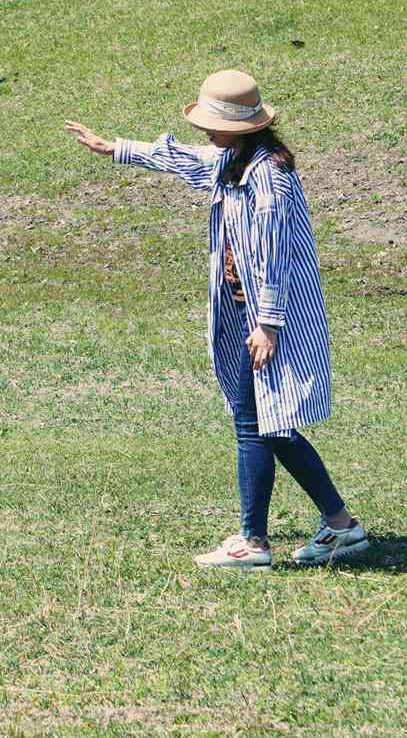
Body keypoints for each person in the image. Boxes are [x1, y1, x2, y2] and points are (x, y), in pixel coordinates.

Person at [67, 69, 368, 569]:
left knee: (263, 424)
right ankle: (339, 526)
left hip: (271, 318)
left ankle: (260, 541)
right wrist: (113, 147)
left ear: (243, 126)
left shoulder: (268, 176)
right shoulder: (235, 160)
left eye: (213, 121)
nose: (204, 130)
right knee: (268, 425)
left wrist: (268, 323)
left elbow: (274, 253)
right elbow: (187, 160)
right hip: (242, 311)